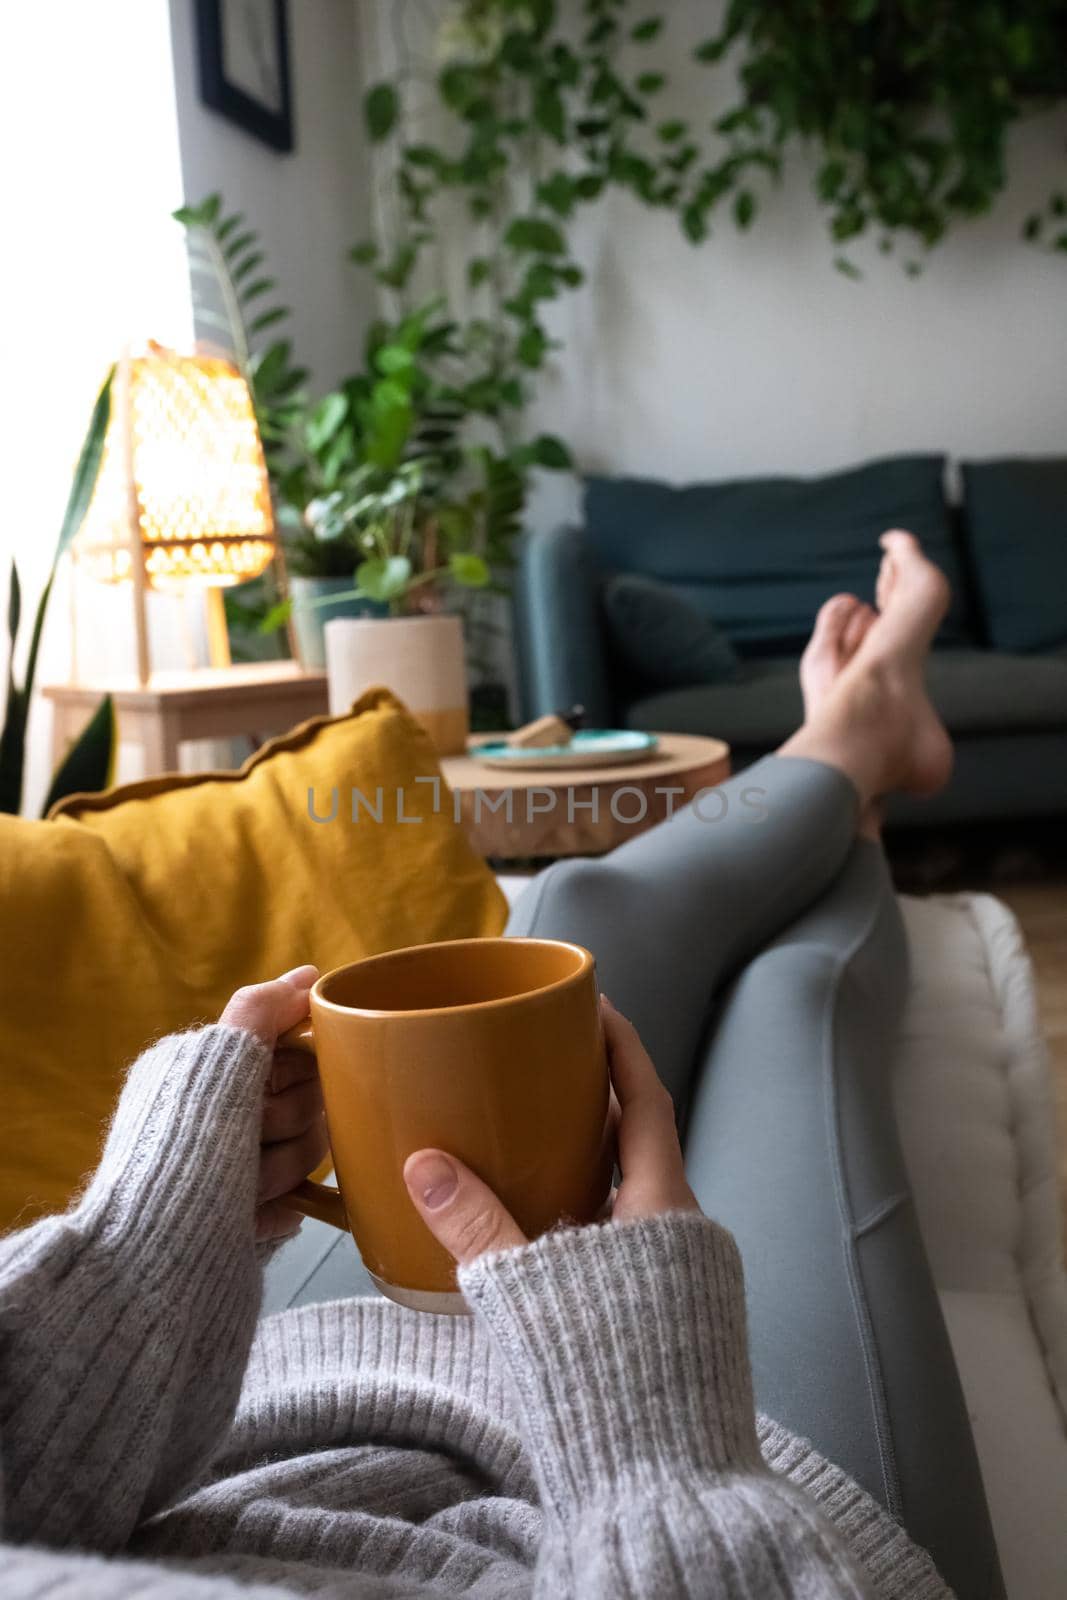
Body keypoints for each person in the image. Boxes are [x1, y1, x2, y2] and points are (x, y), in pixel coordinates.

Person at [0, 533, 1004, 1599]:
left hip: (289, 1410)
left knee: (574, 910)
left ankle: (851, 754)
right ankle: (856, 766)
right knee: (791, 992)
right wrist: (653, 1437)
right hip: (707, 1522)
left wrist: (131, 1259)